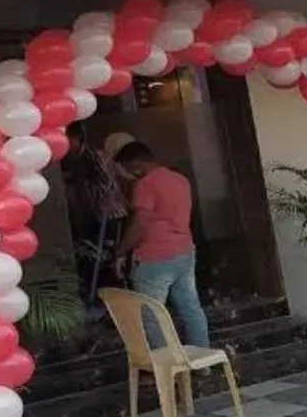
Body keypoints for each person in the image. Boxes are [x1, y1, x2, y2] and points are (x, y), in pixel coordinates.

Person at [110, 140, 210, 350]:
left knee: (152, 315)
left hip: (154, 258)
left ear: (136, 164)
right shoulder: (181, 180)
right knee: (191, 308)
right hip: (184, 252)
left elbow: (140, 224)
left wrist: (121, 252)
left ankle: (166, 363)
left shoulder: (145, 185)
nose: (129, 175)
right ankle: (203, 356)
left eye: (128, 168)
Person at [60, 122, 130, 305]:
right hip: (92, 212)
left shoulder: (92, 155)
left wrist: (75, 183)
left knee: (107, 254)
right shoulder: (74, 157)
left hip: (109, 212)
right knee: (92, 253)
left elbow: (105, 184)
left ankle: (116, 293)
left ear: (76, 138)